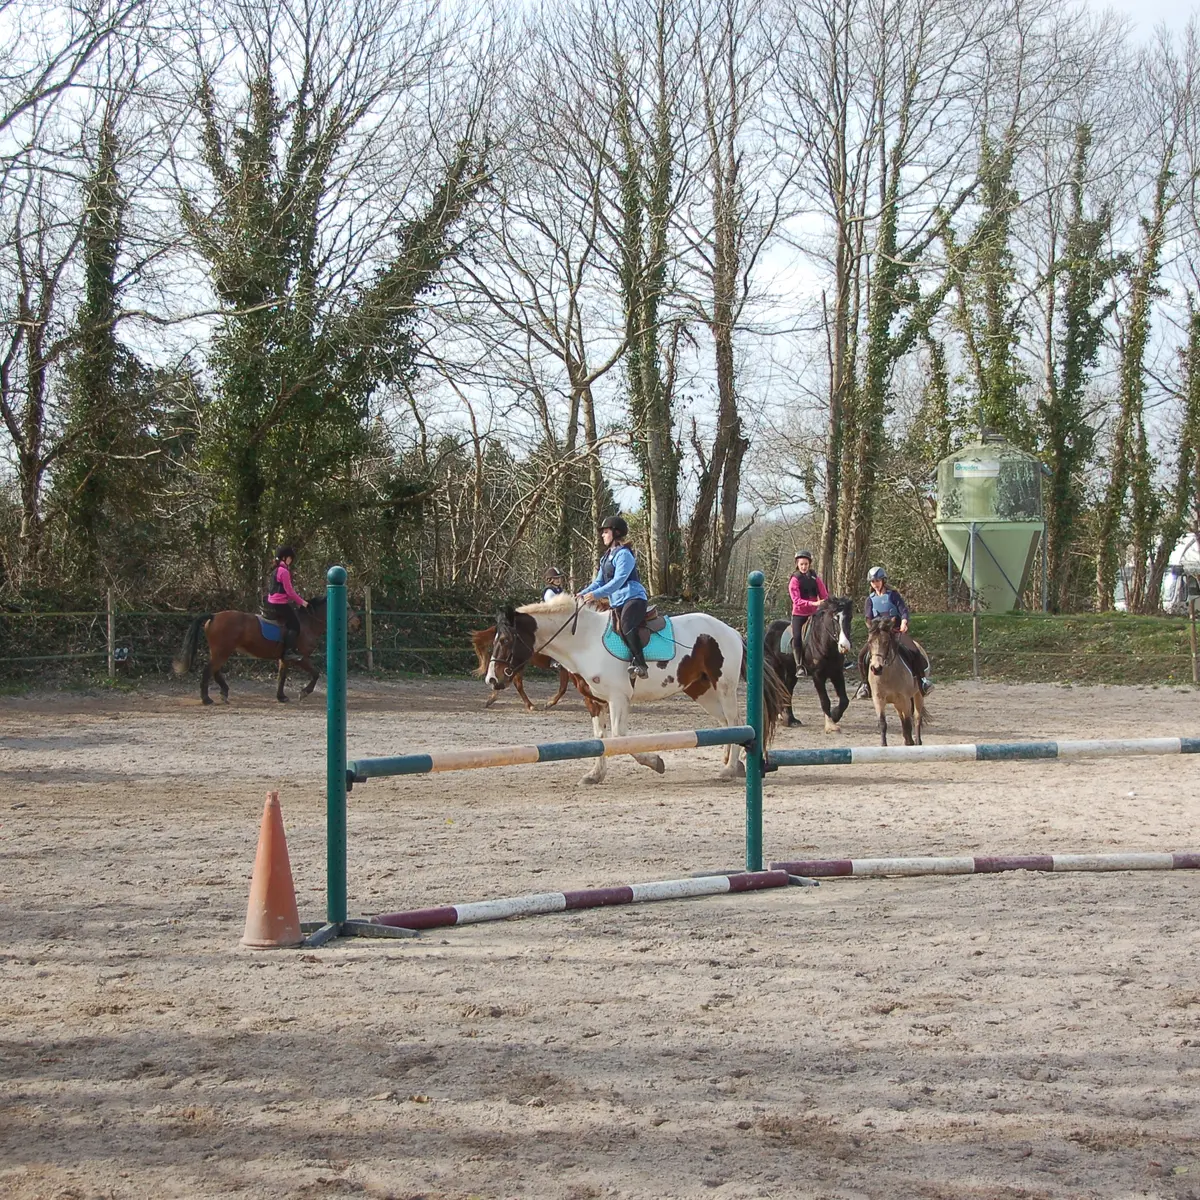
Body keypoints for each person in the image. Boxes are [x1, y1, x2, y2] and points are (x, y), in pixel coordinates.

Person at [579, 515, 651, 680]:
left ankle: (641, 664)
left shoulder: (624, 554)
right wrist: (582, 594)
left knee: (626, 625)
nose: (602, 535)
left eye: (605, 532)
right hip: (617, 602)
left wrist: (595, 595)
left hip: (633, 598)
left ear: (616, 533)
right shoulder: (606, 557)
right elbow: (598, 582)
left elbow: (618, 581)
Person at [855, 566, 932, 699]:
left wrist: (904, 622)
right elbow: (868, 618)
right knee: (862, 656)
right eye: (873, 582)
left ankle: (922, 681)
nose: (875, 584)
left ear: (883, 581)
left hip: (895, 632)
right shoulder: (870, 600)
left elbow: (903, 611)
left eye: (877, 581)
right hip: (878, 635)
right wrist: (872, 630)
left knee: (914, 650)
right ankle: (865, 685)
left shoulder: (893, 595)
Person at [788, 551, 828, 676]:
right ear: (797, 564)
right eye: (801, 564)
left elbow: (824, 595)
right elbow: (796, 601)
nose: (804, 567)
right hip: (799, 614)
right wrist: (814, 604)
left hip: (814, 614)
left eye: (806, 564)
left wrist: (826, 604)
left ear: (809, 564)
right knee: (797, 637)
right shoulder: (795, 580)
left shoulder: (815, 578)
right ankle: (799, 665)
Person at [264, 544, 308, 654]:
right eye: (290, 558)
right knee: (295, 625)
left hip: (271, 602)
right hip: (279, 603)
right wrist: (302, 602)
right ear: (284, 558)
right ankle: (288, 651)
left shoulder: (275, 570)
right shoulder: (284, 572)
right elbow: (290, 592)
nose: (291, 560)